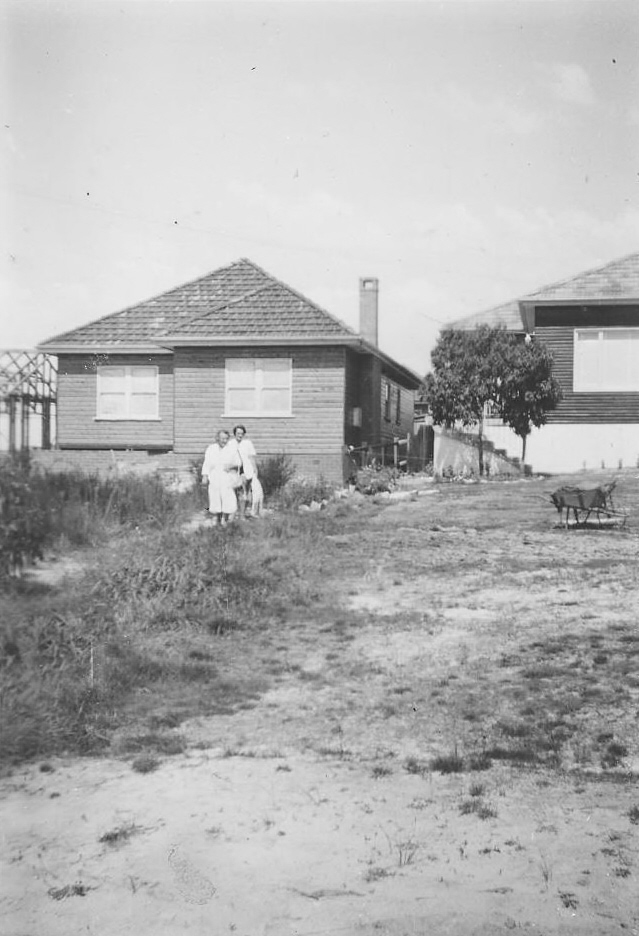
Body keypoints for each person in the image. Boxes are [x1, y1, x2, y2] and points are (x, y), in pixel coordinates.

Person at [201, 430, 242, 525]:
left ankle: (225, 519)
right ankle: (218, 519)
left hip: (226, 477)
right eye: (222, 438)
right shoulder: (211, 449)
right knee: (215, 498)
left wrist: (231, 466)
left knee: (227, 498)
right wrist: (205, 476)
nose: (224, 441)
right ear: (217, 438)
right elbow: (207, 464)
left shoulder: (232, 449)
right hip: (215, 477)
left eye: (226, 439)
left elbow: (239, 463)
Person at [230, 424, 259, 517]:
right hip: (234, 472)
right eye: (238, 433)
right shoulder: (230, 443)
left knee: (245, 493)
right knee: (233, 493)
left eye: (242, 433)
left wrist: (255, 469)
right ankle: (233, 514)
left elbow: (251, 457)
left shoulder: (248, 443)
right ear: (234, 434)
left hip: (246, 471)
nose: (240, 435)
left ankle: (242, 514)